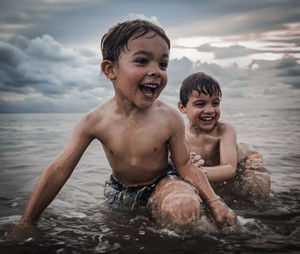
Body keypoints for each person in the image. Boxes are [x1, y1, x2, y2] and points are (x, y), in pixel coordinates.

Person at [13, 20, 236, 238]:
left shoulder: (169, 118)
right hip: (121, 193)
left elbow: (185, 165)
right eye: (142, 61)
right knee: (123, 236)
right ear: (110, 69)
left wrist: (216, 203)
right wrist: (26, 222)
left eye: (163, 64)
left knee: (184, 206)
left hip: (163, 181)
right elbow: (59, 170)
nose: (156, 71)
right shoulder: (95, 121)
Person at [177, 72, 270, 200]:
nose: (210, 110)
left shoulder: (224, 130)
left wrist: (196, 172)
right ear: (182, 107)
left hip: (247, 162)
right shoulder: (179, 136)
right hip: (211, 168)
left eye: (215, 103)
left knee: (256, 192)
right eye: (200, 104)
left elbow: (230, 168)